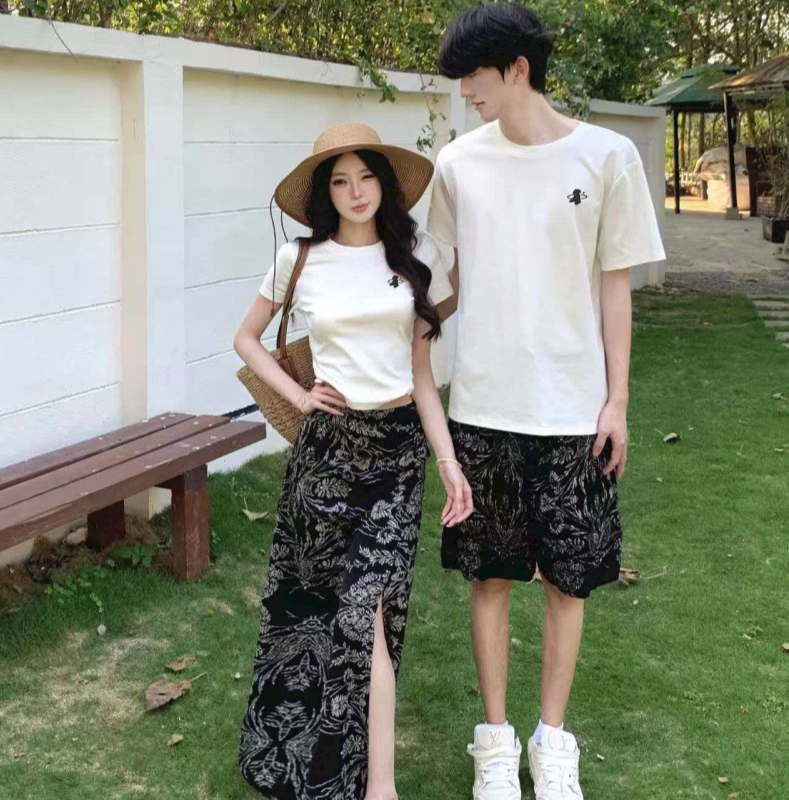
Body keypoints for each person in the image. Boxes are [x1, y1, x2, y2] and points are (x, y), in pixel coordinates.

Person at [427, 5, 666, 799]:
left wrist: (618, 399)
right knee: (490, 579)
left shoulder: (608, 157)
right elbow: (443, 279)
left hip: (573, 410)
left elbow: (614, 285)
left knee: (569, 581)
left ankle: (551, 742)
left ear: (518, 69)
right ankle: (495, 746)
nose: (465, 92)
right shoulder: (457, 164)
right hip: (483, 408)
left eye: (474, 76)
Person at [234, 122, 473, 800]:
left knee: (371, 610)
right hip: (327, 454)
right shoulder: (300, 259)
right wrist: (300, 396)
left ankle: (380, 787)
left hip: (396, 454)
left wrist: (449, 463)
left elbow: (421, 376)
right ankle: (301, 754)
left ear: (384, 183)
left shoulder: (415, 254)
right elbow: (246, 338)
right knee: (311, 608)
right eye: (340, 181)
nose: (355, 191)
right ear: (325, 193)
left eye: (365, 176)